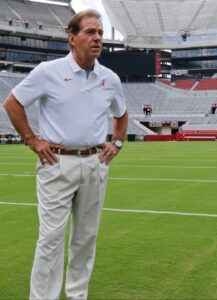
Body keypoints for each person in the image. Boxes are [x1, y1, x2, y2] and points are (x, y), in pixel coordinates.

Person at [4, 9, 128, 300]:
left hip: (95, 163)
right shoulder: (49, 72)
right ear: (72, 39)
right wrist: (32, 140)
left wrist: (117, 143)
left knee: (86, 238)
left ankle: (77, 296)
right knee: (50, 238)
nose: (97, 38)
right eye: (90, 32)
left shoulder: (109, 78)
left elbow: (121, 115)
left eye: (99, 33)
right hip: (57, 164)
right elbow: (13, 103)